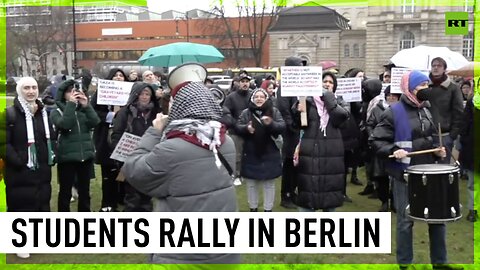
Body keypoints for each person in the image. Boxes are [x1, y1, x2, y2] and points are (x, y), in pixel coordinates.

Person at [123, 62, 240, 264]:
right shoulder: (225, 142)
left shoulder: (172, 149)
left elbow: (135, 171)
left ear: (179, 107)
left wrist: (154, 132)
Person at [370, 71, 448, 268]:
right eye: (422, 86)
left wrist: (438, 151)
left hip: (430, 171)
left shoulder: (427, 109)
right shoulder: (393, 112)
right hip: (405, 175)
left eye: (427, 85)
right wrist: (393, 149)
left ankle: (440, 263)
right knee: (406, 222)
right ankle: (405, 264)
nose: (426, 90)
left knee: (438, 218)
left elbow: (430, 137)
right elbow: (376, 140)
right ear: (410, 89)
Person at [292, 73, 350, 212]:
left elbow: (341, 119)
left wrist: (328, 98)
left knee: (330, 196)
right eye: (324, 81)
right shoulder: (308, 101)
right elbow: (299, 125)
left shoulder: (341, 102)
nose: (327, 84)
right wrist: (297, 111)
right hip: (310, 154)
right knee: (307, 193)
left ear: (334, 86)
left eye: (330, 82)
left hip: (332, 156)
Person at [50, 79, 100, 212]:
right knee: (65, 191)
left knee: (85, 191)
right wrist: (71, 105)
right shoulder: (56, 111)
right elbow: (65, 125)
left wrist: (87, 106)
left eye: (76, 91)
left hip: (85, 157)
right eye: (69, 91)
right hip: (67, 158)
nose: (74, 94)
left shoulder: (83, 110)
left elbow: (95, 122)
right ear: (63, 94)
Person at [110, 82, 161, 212]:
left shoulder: (157, 113)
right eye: (141, 94)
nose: (144, 97)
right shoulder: (125, 112)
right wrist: (119, 156)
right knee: (132, 197)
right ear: (135, 95)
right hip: (130, 157)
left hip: (150, 158)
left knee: (146, 197)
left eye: (147, 94)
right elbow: (116, 134)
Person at [236, 88, 285, 212]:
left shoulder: (273, 111)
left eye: (261, 97)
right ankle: (253, 208)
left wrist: (271, 124)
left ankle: (268, 210)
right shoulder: (246, 113)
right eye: (256, 97)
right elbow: (237, 127)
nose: (259, 99)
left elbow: (282, 126)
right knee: (251, 184)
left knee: (269, 184)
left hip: (270, 153)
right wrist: (246, 129)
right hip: (251, 153)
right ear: (252, 99)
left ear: (266, 99)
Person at [91, 68, 129, 212]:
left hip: (125, 137)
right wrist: (111, 115)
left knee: (124, 171)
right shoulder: (101, 93)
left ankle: (122, 198)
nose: (118, 78)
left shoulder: (130, 93)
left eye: (121, 76)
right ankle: (108, 204)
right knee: (108, 172)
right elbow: (93, 112)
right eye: (115, 75)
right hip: (106, 137)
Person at [421, 57, 464, 163]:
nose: (436, 68)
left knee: (442, 170)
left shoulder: (453, 88)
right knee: (425, 168)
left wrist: (452, 135)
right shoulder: (424, 87)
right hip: (426, 136)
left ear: (444, 69)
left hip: (444, 136)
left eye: (439, 66)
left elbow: (458, 113)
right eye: (433, 65)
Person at [366, 86, 400, 212]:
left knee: (396, 177)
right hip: (381, 148)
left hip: (397, 148)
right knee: (381, 177)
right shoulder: (377, 109)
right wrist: (373, 137)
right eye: (389, 95)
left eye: (394, 95)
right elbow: (369, 124)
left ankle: (395, 202)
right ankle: (384, 201)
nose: (391, 97)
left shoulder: (401, 110)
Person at [276, 56, 303, 209]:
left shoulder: (299, 85)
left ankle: (293, 192)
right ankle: (286, 195)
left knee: (296, 164)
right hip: (290, 132)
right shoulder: (284, 86)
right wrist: (292, 125)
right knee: (289, 163)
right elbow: (283, 108)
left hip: (299, 130)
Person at [222, 73, 254, 186]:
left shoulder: (252, 95)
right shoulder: (231, 97)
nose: (245, 84)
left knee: (249, 154)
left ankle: (245, 174)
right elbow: (226, 114)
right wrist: (235, 125)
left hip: (250, 130)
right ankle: (235, 175)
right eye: (242, 81)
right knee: (237, 155)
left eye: (247, 81)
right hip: (235, 131)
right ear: (238, 83)